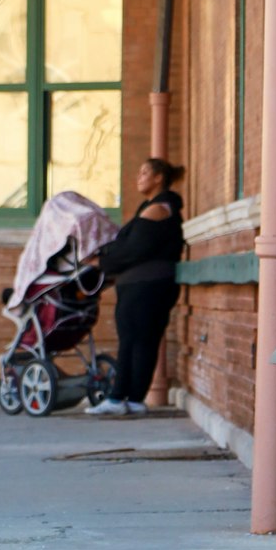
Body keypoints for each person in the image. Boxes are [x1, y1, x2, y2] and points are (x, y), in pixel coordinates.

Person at [85, 157, 185, 415]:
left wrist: (101, 261)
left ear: (158, 178)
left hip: (147, 287)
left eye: (144, 173)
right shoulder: (151, 207)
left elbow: (132, 248)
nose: (139, 178)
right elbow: (127, 246)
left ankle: (121, 398)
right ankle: (129, 399)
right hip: (142, 286)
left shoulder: (158, 208)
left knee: (137, 340)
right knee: (138, 341)